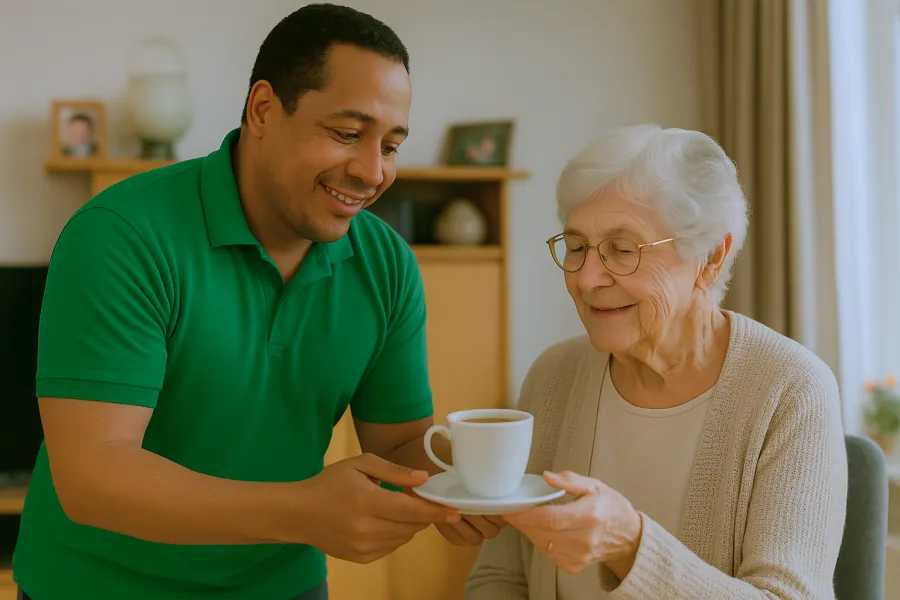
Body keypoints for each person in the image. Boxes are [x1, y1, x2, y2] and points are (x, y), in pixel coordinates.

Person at [13, 5, 502, 600]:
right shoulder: (122, 234)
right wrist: (301, 510)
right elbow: (93, 475)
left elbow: (399, 444)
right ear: (264, 109)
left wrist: (481, 481)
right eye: (348, 133)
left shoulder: (387, 264)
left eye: (391, 145)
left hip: (283, 588)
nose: (373, 171)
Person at [466, 124, 848, 599]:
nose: (586, 279)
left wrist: (631, 547)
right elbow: (500, 578)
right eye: (578, 246)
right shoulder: (553, 376)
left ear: (710, 256)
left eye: (622, 251)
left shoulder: (790, 389)